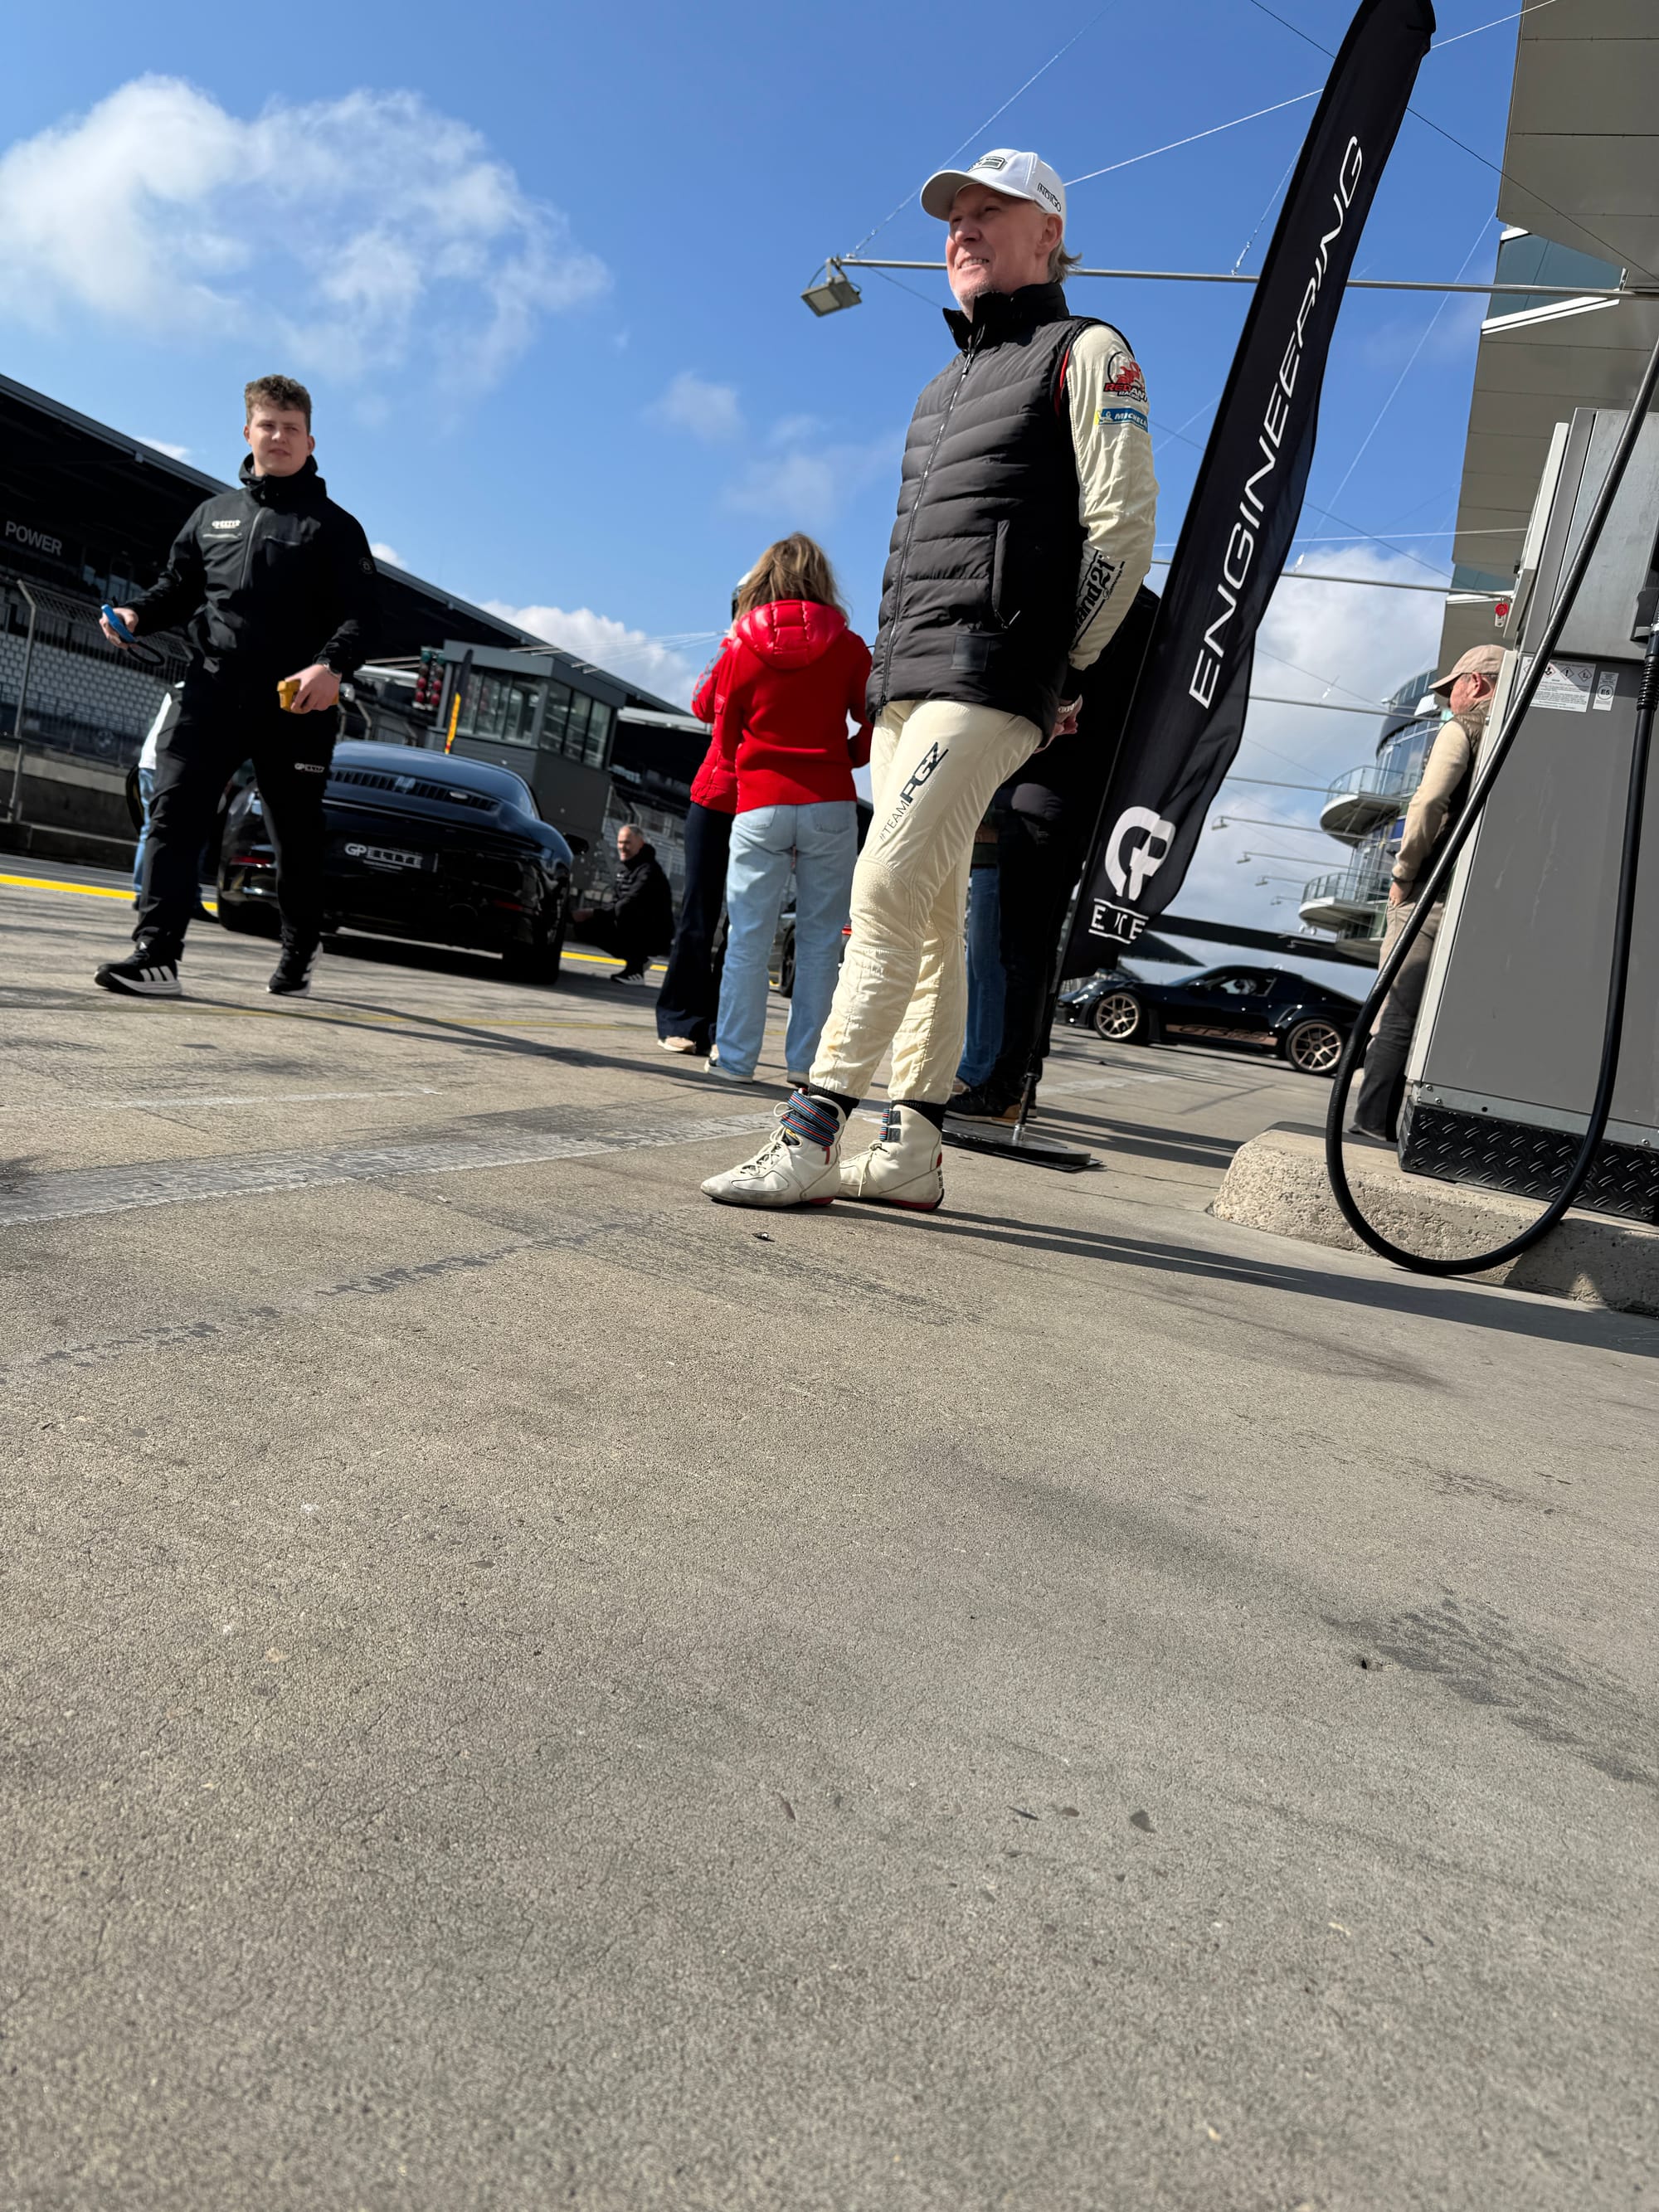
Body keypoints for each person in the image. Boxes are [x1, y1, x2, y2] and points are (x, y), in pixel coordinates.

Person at [702, 148, 1156, 1210]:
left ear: (1048, 234)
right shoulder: (941, 388)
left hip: (992, 677)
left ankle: (809, 1132)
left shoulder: (1088, 351)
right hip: (910, 680)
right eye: (953, 215)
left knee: (884, 887)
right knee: (938, 911)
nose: (962, 228)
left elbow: (1122, 526)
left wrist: (1064, 663)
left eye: (990, 210)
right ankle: (910, 1148)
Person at [95, 374, 378, 999]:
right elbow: (176, 589)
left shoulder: (335, 528)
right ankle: (157, 953)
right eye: (268, 425)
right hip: (212, 689)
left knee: (293, 834)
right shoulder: (212, 515)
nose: (279, 437)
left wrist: (330, 667)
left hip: (295, 704)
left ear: (310, 441)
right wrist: (138, 613)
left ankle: (301, 942)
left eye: (292, 428)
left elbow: (364, 617)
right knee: (173, 813)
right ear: (247, 431)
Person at [951, 584, 1159, 1123]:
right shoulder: (1150, 617)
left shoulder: (1078, 605)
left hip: (1038, 798)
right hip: (1090, 805)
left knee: (1018, 954)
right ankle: (1021, 1082)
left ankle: (1004, 1088)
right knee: (1038, 955)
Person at [703, 536, 871, 1085]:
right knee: (822, 942)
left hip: (760, 803)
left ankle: (735, 1060)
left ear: (762, 579)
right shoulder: (848, 646)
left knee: (748, 938)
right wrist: (849, 755)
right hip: (830, 800)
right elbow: (874, 718)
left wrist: (751, 761)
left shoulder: (740, 646)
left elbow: (722, 728)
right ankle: (806, 1066)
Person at [1350, 644, 1501, 1142]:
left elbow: (1430, 800)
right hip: (1487, 903)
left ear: (1476, 684)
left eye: (1451, 689)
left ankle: (1374, 1120)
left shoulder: (1463, 728)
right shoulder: (1529, 733)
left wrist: (1404, 872)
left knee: (1397, 1009)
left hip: (1433, 894)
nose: (1447, 700)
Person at [655, 654, 738, 1055]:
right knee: (699, 916)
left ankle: (723, 1028)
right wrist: (728, 646)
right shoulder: (736, 647)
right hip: (717, 796)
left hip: (764, 800)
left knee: (742, 925)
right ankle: (683, 1020)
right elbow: (703, 705)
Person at [574, 824, 674, 983]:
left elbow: (629, 905)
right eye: (620, 842)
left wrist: (592, 913)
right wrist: (591, 915)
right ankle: (639, 960)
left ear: (640, 844)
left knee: (624, 913)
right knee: (585, 926)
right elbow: (616, 902)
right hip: (635, 924)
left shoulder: (649, 871)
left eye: (627, 843)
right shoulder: (623, 868)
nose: (622, 847)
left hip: (654, 933)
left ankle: (636, 971)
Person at [955, 805, 1008, 1091]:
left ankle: (977, 1071)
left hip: (996, 857)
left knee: (983, 969)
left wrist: (986, 818)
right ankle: (991, 1072)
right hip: (991, 858)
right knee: (985, 969)